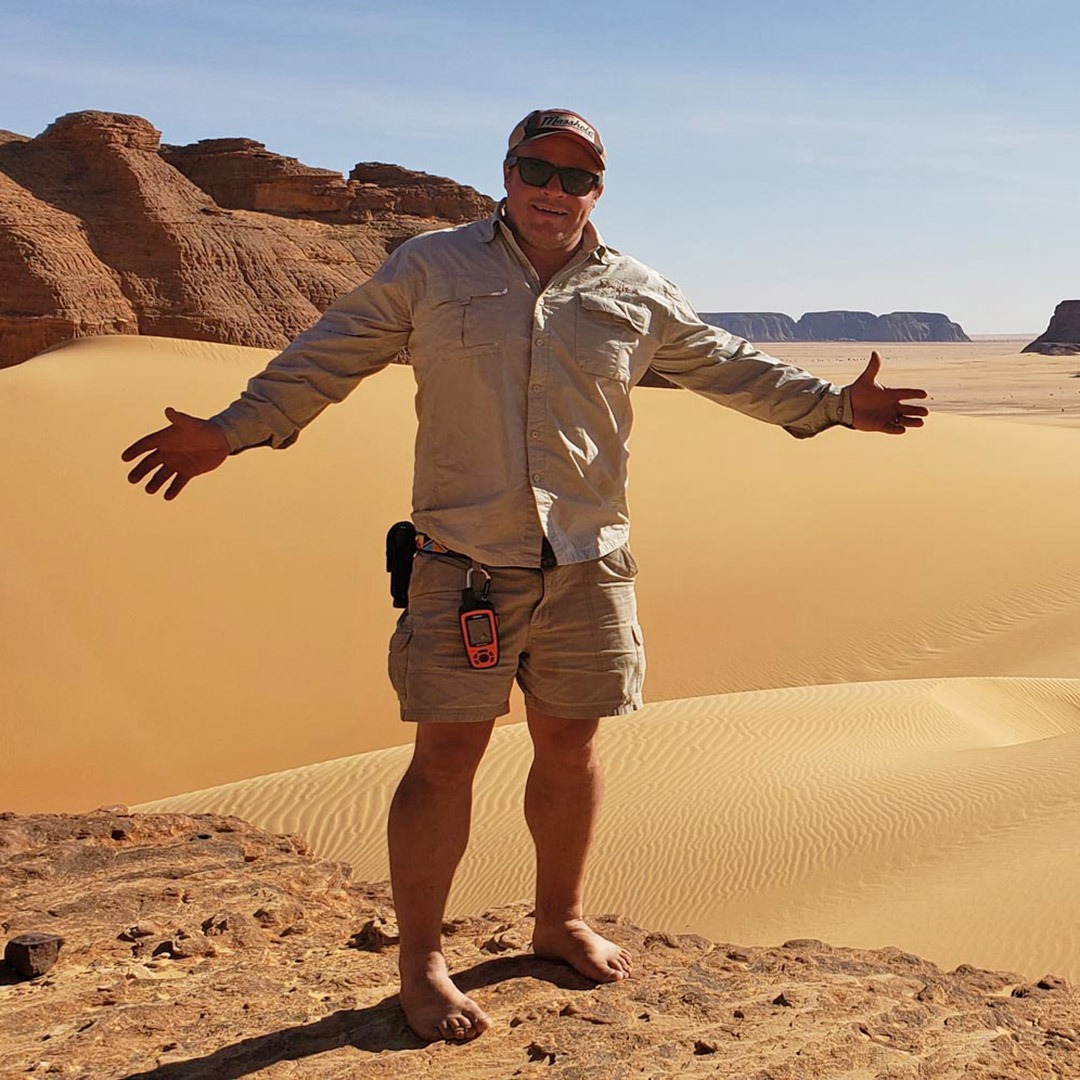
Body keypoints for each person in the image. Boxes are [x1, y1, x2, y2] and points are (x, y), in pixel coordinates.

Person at [122, 108, 929, 1043]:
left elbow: (724, 365)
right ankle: (422, 959)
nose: (554, 190)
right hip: (461, 565)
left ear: (600, 188)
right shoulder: (431, 266)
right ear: (505, 172)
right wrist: (231, 430)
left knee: (572, 750)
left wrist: (833, 406)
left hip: (589, 562)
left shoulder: (635, 290)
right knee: (442, 764)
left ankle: (558, 920)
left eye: (577, 177)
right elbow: (327, 356)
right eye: (534, 169)